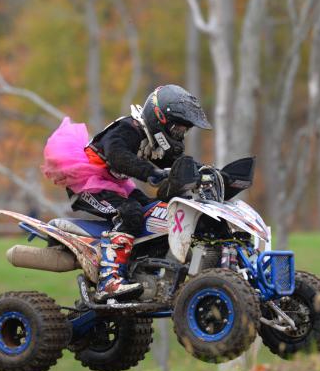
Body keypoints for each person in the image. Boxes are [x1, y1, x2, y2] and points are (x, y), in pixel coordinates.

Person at [42, 84, 211, 301]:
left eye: (184, 130)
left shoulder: (155, 140)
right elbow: (117, 156)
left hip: (114, 184)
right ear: (159, 117)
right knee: (131, 212)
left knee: (155, 212)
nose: (180, 134)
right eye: (178, 128)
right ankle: (108, 280)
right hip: (87, 183)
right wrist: (151, 172)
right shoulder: (129, 128)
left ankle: (140, 268)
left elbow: (179, 166)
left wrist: (206, 172)